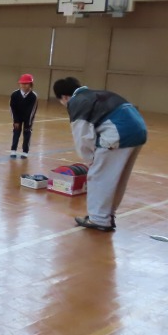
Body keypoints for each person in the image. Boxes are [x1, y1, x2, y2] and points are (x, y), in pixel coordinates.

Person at [53, 77, 148, 232]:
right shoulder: (96, 94)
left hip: (118, 133)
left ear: (64, 97)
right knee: (117, 178)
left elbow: (83, 136)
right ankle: (107, 216)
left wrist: (91, 159)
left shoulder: (77, 102)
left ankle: (99, 219)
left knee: (98, 176)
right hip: (138, 131)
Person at [9, 73, 38, 159]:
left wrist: (28, 123)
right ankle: (13, 150)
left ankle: (25, 151)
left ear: (31, 84)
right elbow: (12, 108)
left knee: (27, 134)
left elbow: (32, 110)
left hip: (28, 118)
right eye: (22, 83)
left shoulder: (33, 96)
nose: (24, 85)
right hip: (17, 117)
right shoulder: (14, 94)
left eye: (26, 84)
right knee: (16, 133)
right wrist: (16, 120)